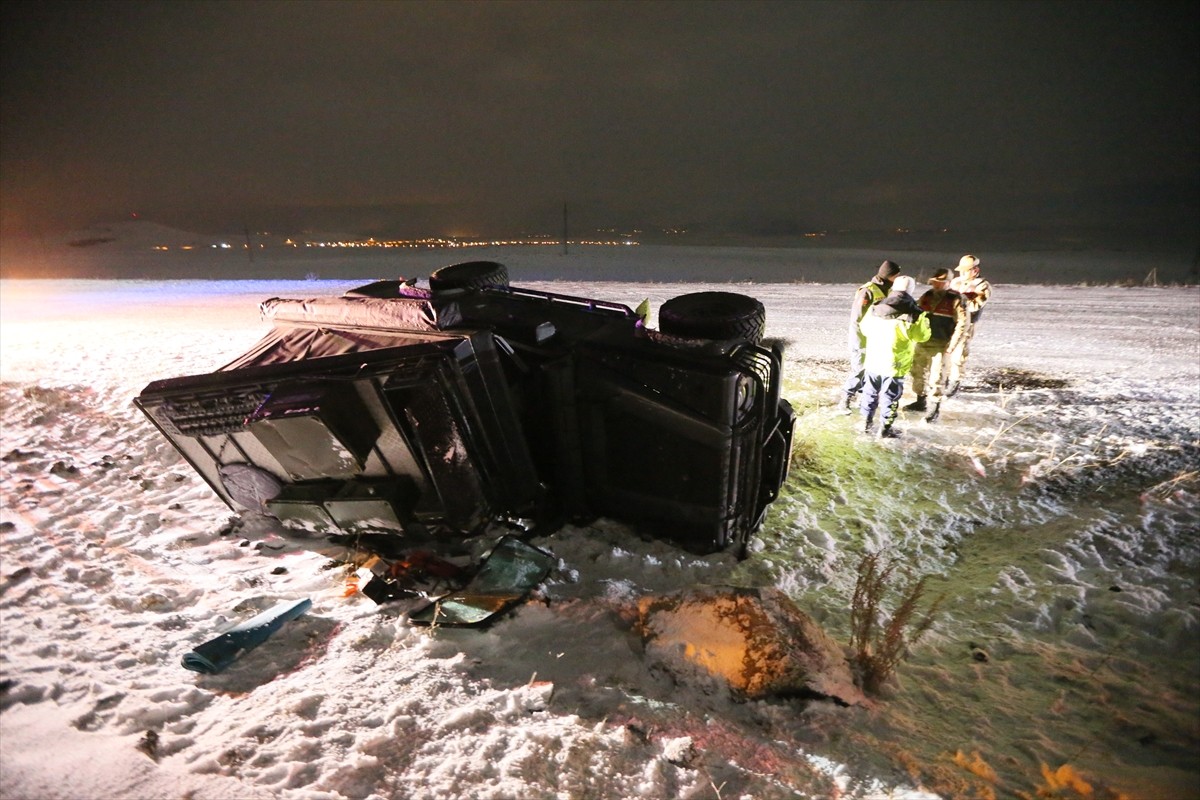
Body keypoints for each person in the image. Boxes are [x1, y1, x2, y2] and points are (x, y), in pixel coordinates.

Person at [858, 275, 930, 438]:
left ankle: (865, 423)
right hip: (894, 364)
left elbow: (864, 329)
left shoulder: (876, 307)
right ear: (911, 290)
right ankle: (885, 428)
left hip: (873, 360)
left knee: (869, 393)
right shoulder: (915, 314)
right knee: (889, 398)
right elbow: (922, 336)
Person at [905, 268, 967, 423]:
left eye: (940, 283)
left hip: (941, 345)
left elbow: (962, 323)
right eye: (935, 282)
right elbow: (916, 313)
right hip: (922, 342)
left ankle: (934, 408)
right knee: (917, 372)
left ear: (948, 283)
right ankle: (921, 400)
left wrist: (952, 345)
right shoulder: (927, 296)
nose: (937, 285)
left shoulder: (956, 299)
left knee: (937, 376)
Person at [839, 260, 901, 414]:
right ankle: (845, 398)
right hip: (862, 338)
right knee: (859, 369)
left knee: (871, 370)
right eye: (896, 275)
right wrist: (862, 340)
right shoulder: (868, 291)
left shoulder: (887, 290)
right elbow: (857, 319)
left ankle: (862, 399)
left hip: (876, 338)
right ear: (889, 275)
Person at [946, 254, 992, 395]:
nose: (963, 273)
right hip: (949, 322)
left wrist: (958, 303)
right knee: (946, 351)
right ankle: (945, 378)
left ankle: (955, 382)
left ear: (975, 270)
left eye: (966, 270)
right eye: (962, 270)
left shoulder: (982, 285)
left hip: (967, 323)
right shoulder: (955, 282)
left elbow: (975, 305)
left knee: (959, 354)